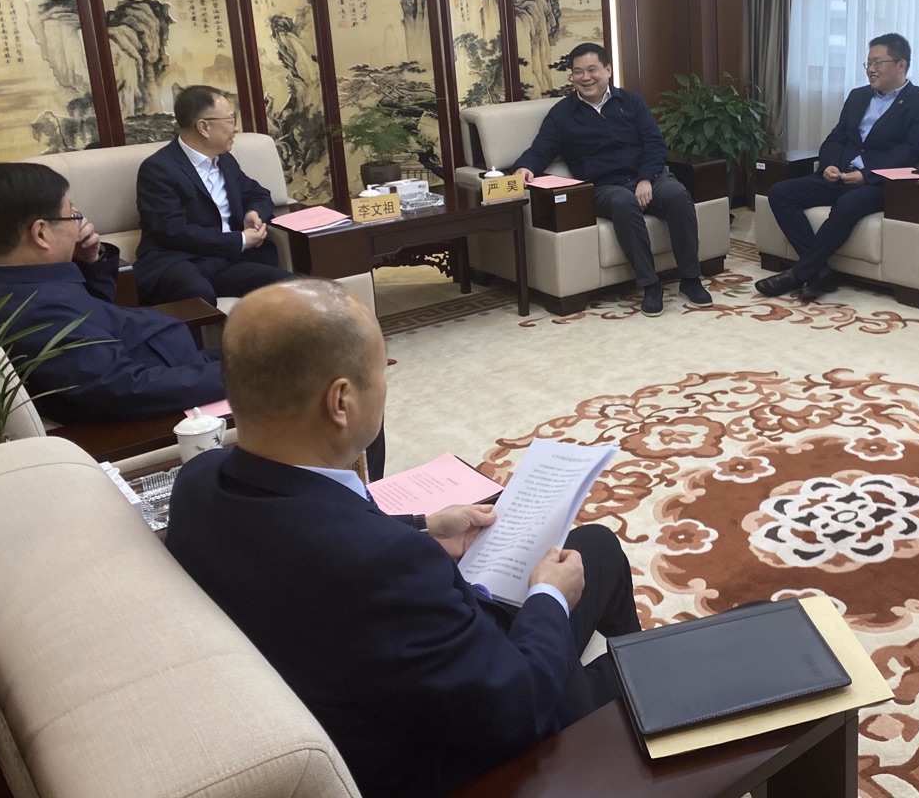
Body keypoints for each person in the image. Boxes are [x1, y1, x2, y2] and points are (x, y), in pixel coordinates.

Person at [166, 279, 640, 798]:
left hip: (365, 673)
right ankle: (650, 692)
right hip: (462, 757)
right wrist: (549, 596)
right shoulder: (385, 566)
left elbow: (320, 532)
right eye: (381, 371)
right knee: (657, 658)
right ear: (341, 402)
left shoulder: (198, 482)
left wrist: (423, 528)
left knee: (596, 545)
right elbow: (518, 711)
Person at [0, 161, 226, 424]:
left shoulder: (24, 286)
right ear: (41, 233)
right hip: (171, 398)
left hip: (174, 368)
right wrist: (241, 375)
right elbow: (125, 388)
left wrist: (90, 262)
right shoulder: (37, 312)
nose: (79, 226)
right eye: (72, 216)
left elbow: (90, 317)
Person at [512, 42, 709, 316]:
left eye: (592, 69)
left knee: (677, 196)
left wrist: (645, 178)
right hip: (603, 187)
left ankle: (690, 278)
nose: (585, 77)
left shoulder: (632, 102)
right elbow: (541, 149)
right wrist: (524, 167)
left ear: (608, 70)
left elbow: (655, 145)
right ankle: (650, 285)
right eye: (578, 72)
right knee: (622, 201)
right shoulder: (562, 114)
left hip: (647, 176)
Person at [756, 33, 919, 300]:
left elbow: (910, 152)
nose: (871, 69)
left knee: (847, 204)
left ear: (901, 65)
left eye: (877, 63)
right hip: (840, 175)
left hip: (879, 184)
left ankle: (797, 274)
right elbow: (837, 137)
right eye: (868, 63)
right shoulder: (858, 96)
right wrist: (829, 164)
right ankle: (820, 272)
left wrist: (866, 175)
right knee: (781, 193)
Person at [134, 85, 295, 307]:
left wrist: (253, 212)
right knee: (197, 292)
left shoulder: (224, 160)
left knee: (290, 286)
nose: (236, 128)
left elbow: (258, 193)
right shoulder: (159, 169)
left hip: (227, 261)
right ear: (204, 127)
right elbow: (172, 231)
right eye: (230, 120)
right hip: (180, 260)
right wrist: (239, 240)